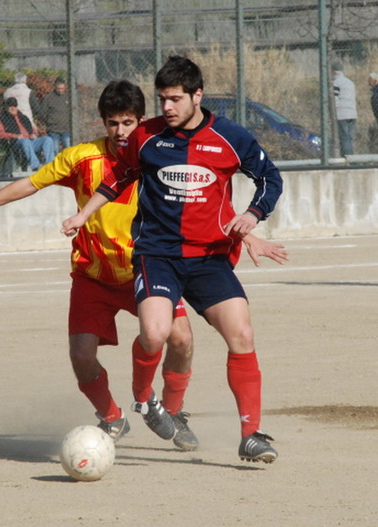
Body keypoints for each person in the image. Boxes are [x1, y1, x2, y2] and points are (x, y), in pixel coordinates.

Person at [62, 57, 285, 464]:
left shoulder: (231, 137)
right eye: (163, 99)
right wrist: (83, 214)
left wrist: (252, 216)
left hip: (209, 258)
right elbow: (119, 178)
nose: (166, 107)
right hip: (157, 254)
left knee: (243, 335)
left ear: (197, 96)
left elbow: (270, 178)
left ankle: (251, 434)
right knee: (155, 333)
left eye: (175, 99)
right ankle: (145, 399)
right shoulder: (146, 136)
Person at [0, 97, 55, 171]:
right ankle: (35, 165)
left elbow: (33, 130)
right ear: (6, 107)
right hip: (15, 143)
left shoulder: (24, 117)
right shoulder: (2, 118)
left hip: (30, 141)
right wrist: (15, 136)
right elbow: (0, 134)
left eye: (14, 106)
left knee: (48, 139)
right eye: (10, 106)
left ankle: (50, 165)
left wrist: (34, 134)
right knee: (25, 141)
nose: (13, 108)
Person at [38, 78, 71, 152]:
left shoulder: (68, 97)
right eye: (58, 88)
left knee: (68, 148)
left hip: (66, 129)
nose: (60, 90)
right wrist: (49, 122)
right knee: (55, 150)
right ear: (55, 87)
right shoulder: (49, 98)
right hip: (53, 130)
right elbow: (42, 113)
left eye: (62, 88)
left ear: (65, 87)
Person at [332, 61, 357, 156]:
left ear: (334, 72)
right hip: (352, 113)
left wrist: (333, 115)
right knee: (350, 138)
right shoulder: (350, 83)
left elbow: (335, 100)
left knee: (344, 138)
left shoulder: (336, 83)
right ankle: (352, 157)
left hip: (342, 114)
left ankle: (348, 159)